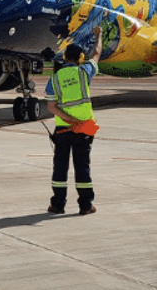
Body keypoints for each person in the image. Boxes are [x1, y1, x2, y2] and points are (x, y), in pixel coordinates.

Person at [45, 26, 103, 216]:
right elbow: (96, 53)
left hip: (62, 130)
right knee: (82, 168)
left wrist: (69, 120)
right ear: (80, 59)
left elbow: (51, 107)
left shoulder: (54, 79)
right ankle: (85, 205)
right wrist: (98, 36)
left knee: (60, 169)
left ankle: (58, 205)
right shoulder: (85, 72)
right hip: (84, 130)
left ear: (64, 58)